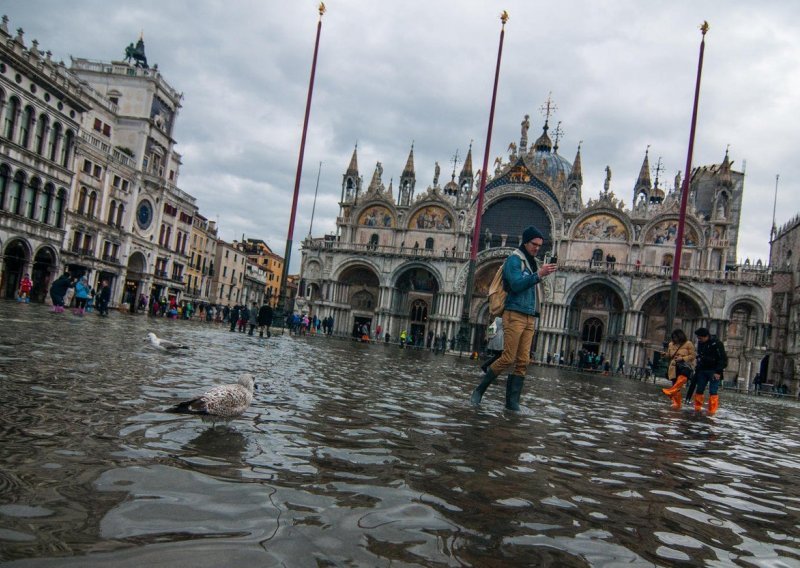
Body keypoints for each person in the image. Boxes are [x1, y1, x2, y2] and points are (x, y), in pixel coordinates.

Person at [470, 225, 557, 410]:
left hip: (529, 317)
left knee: (523, 361)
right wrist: (538, 275)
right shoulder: (514, 260)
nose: (537, 248)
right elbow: (516, 285)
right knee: (508, 358)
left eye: (540, 245)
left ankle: (512, 403)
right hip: (514, 314)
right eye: (534, 244)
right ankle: (479, 390)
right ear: (525, 242)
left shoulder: (532, 262)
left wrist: (539, 274)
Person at [692, 327, 728, 415]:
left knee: (713, 391)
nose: (699, 340)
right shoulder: (701, 343)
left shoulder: (717, 344)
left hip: (714, 371)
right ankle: (697, 407)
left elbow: (723, 359)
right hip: (702, 370)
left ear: (706, 336)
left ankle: (712, 410)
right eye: (698, 338)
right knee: (699, 389)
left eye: (700, 338)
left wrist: (718, 371)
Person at [661, 329, 696, 409]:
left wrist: (682, 358)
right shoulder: (671, 344)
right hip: (673, 367)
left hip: (685, 366)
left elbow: (693, 356)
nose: (675, 339)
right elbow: (670, 356)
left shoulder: (688, 344)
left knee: (682, 378)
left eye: (676, 337)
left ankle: (671, 391)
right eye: (673, 337)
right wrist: (664, 355)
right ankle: (677, 404)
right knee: (676, 386)